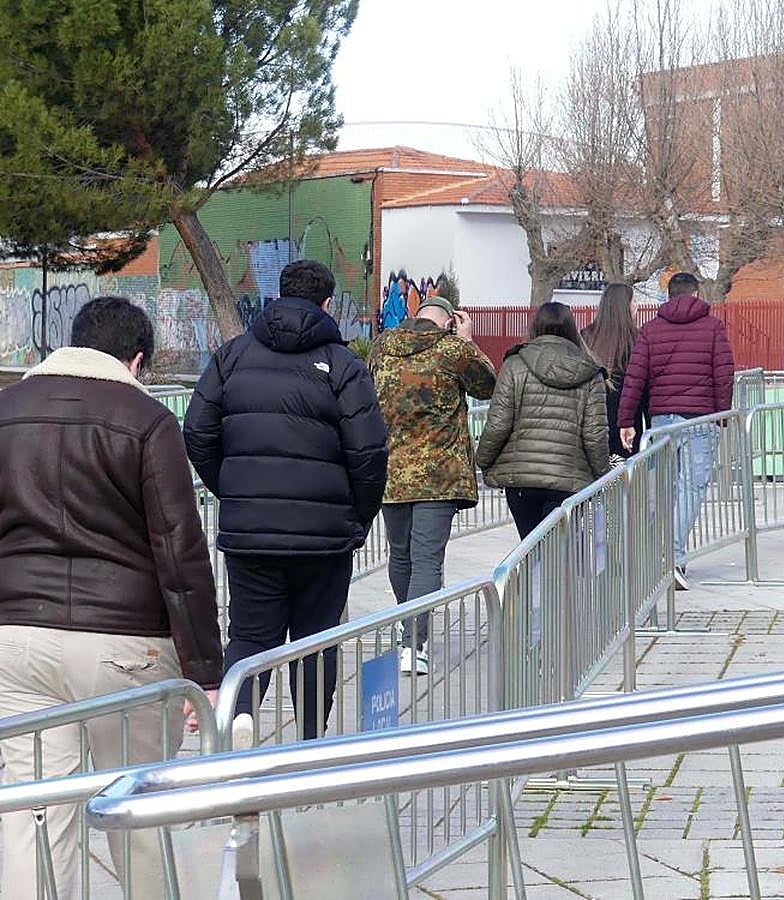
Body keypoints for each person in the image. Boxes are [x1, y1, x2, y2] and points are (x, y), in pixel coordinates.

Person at [0, 297, 222, 897]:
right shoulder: (147, 420)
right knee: (142, 809)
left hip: (18, 637)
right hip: (126, 644)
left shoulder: (5, 411)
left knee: (33, 809)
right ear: (138, 360)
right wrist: (204, 668)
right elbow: (179, 551)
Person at [184, 259, 388, 743]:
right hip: (324, 537)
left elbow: (196, 431)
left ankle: (237, 724)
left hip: (251, 531)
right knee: (316, 643)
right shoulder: (343, 365)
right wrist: (355, 515)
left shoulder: (231, 356)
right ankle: (310, 740)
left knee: (251, 636)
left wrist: (234, 488)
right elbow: (369, 451)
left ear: (279, 294)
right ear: (327, 303)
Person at [371, 297, 495, 675]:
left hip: (390, 472)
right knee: (427, 560)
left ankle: (408, 631)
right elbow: (487, 385)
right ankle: (414, 643)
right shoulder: (453, 349)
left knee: (401, 556)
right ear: (448, 322)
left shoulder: (382, 347)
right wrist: (469, 339)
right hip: (438, 476)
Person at [617, 272, 735, 590]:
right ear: (696, 294)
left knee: (662, 492)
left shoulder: (651, 330)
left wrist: (626, 420)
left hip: (661, 422)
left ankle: (657, 558)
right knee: (690, 489)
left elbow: (635, 377)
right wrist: (721, 414)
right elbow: (723, 372)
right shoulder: (713, 327)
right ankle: (673, 558)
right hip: (699, 419)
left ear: (668, 296)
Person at [475, 302, 610, 538]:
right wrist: (602, 475)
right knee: (558, 553)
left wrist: (483, 460)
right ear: (572, 329)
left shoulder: (515, 364)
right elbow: (594, 434)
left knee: (530, 550)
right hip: (570, 479)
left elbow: (498, 423)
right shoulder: (590, 371)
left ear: (535, 326)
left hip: (521, 479)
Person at [581, 282, 646, 463]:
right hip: (628, 423)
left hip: (593, 422)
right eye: (633, 301)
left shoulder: (586, 336)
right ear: (624, 306)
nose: (637, 306)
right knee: (625, 481)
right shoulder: (637, 340)